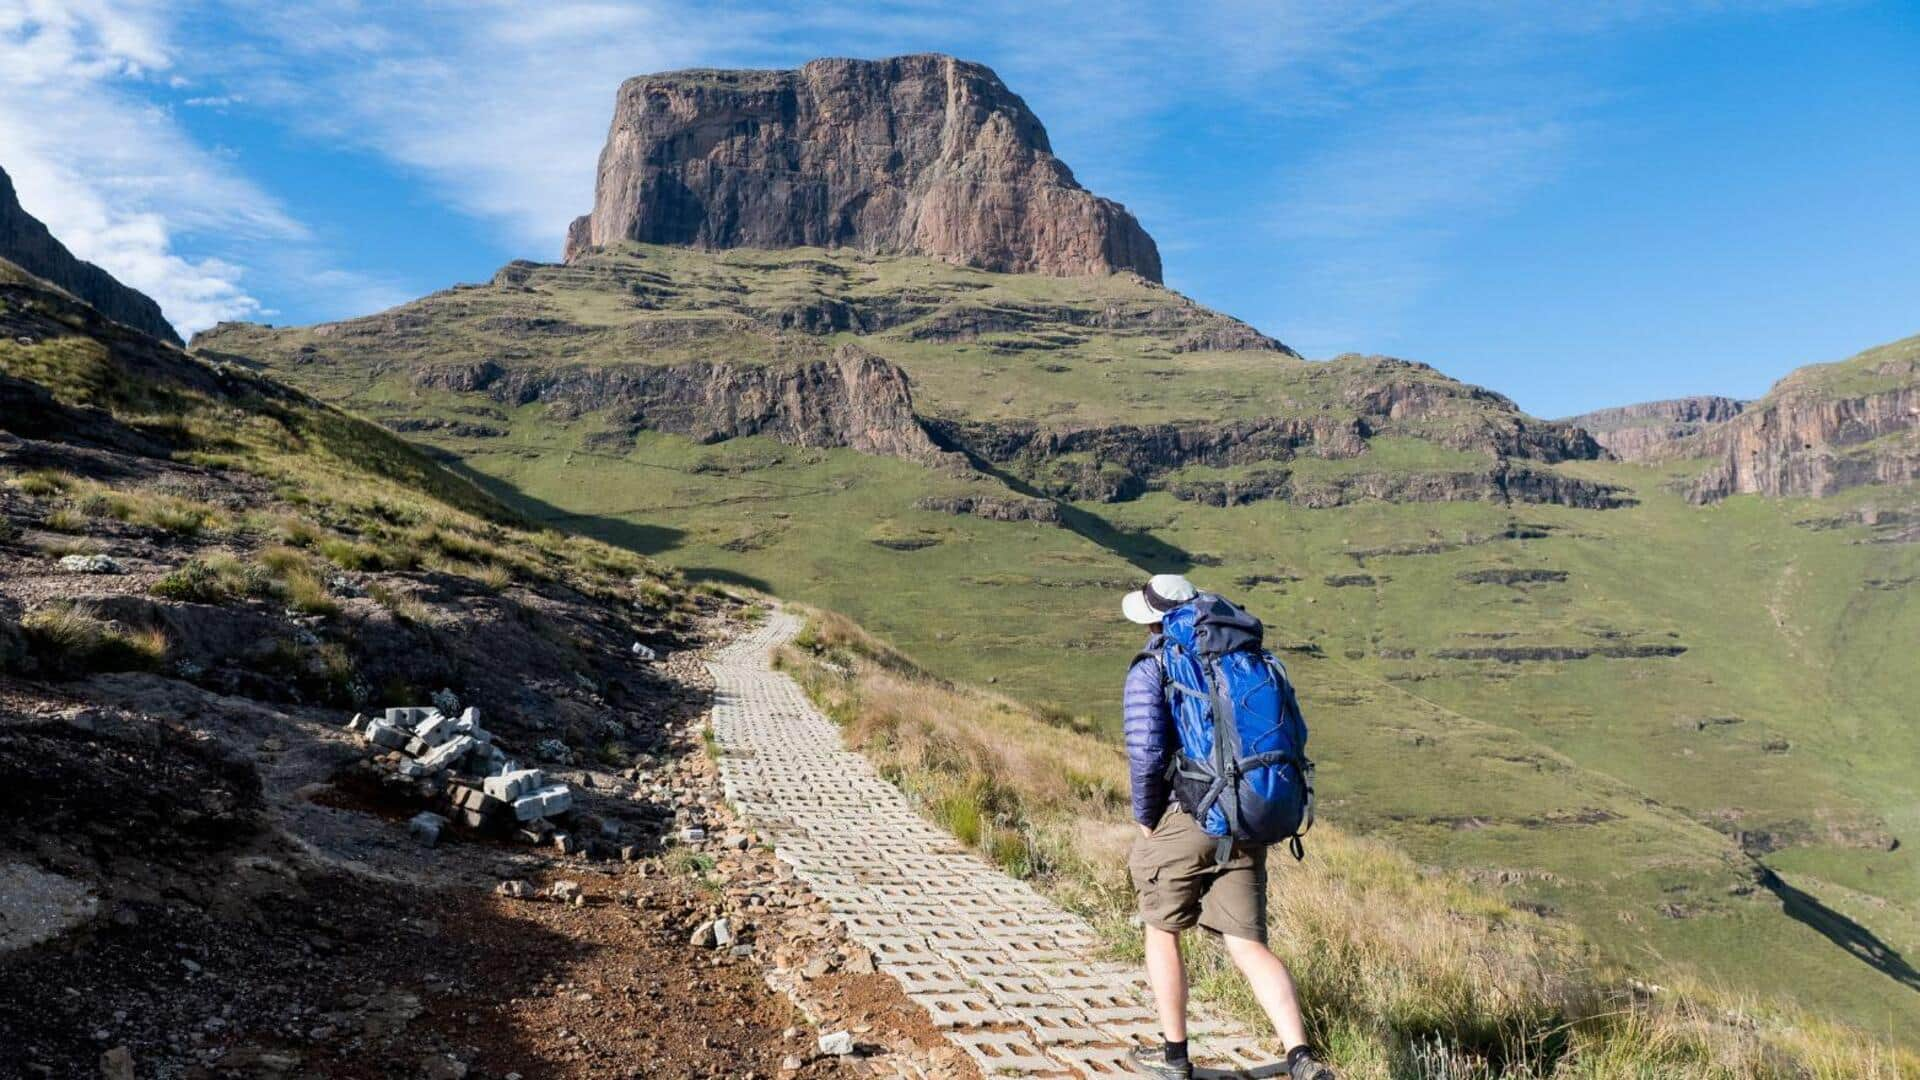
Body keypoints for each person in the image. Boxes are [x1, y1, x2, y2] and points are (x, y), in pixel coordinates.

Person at [1120, 574, 1335, 1080]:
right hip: (1246, 816)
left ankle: (1175, 1058)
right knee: (1247, 943)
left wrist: (1147, 817)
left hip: (1189, 815)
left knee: (1161, 929)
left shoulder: (1156, 665)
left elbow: (1146, 752)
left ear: (1154, 620)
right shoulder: (1248, 659)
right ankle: (1301, 1057)